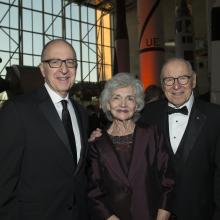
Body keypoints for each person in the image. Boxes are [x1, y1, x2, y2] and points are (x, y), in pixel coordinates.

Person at [0, 39, 89, 220]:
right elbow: (4, 182)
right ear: (42, 69)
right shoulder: (17, 110)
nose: (64, 69)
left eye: (70, 62)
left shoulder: (81, 112)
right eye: (55, 62)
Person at [138, 57, 220, 220]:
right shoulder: (148, 114)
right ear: (162, 84)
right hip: (156, 213)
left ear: (194, 80)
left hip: (200, 213)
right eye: (169, 80)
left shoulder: (215, 116)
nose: (176, 86)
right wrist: (100, 137)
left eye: (183, 78)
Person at [87, 73, 175, 220]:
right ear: (107, 104)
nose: (123, 104)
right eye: (116, 98)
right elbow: (94, 192)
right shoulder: (97, 143)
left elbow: (168, 181)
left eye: (130, 98)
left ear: (137, 104)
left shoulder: (153, 134)